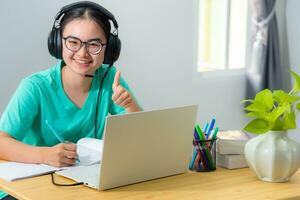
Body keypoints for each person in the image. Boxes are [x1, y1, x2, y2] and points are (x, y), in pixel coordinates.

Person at [0, 1, 141, 199]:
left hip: (81, 186)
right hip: (26, 188)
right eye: (73, 42)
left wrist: (129, 105)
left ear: (109, 49)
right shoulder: (35, 87)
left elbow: (141, 136)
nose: (83, 53)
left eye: (94, 44)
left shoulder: (110, 79)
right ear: (58, 43)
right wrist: (45, 155)